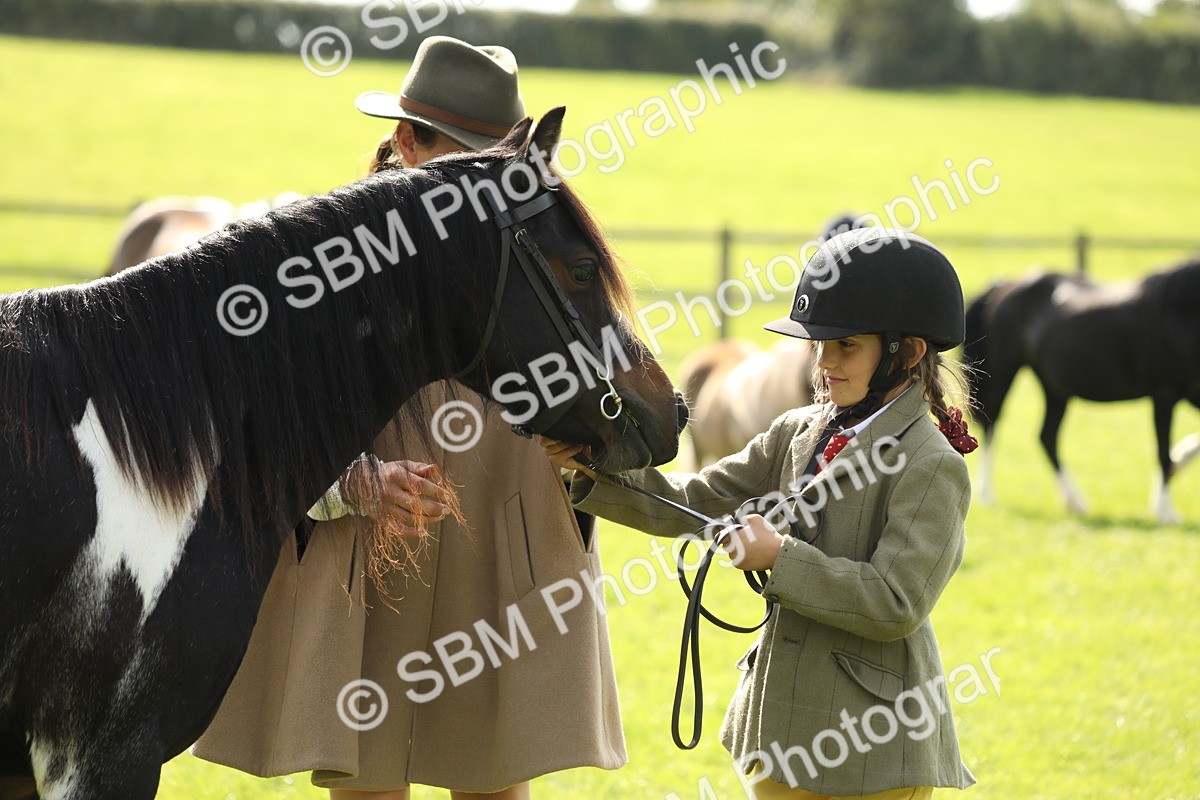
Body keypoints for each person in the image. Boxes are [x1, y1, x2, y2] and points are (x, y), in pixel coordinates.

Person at [193, 36, 625, 800]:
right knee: (368, 787)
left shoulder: (531, 248)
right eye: (464, 159)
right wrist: (354, 483)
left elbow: (603, 390)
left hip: (502, 555)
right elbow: (256, 436)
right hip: (372, 563)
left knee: (495, 785)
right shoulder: (325, 265)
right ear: (404, 143)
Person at [543, 228, 979, 799]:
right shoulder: (798, 431)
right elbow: (695, 499)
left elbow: (895, 601)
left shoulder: (931, 463)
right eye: (819, 345)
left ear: (908, 353)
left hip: (876, 749)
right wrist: (590, 467)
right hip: (779, 724)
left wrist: (780, 556)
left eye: (847, 345)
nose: (824, 362)